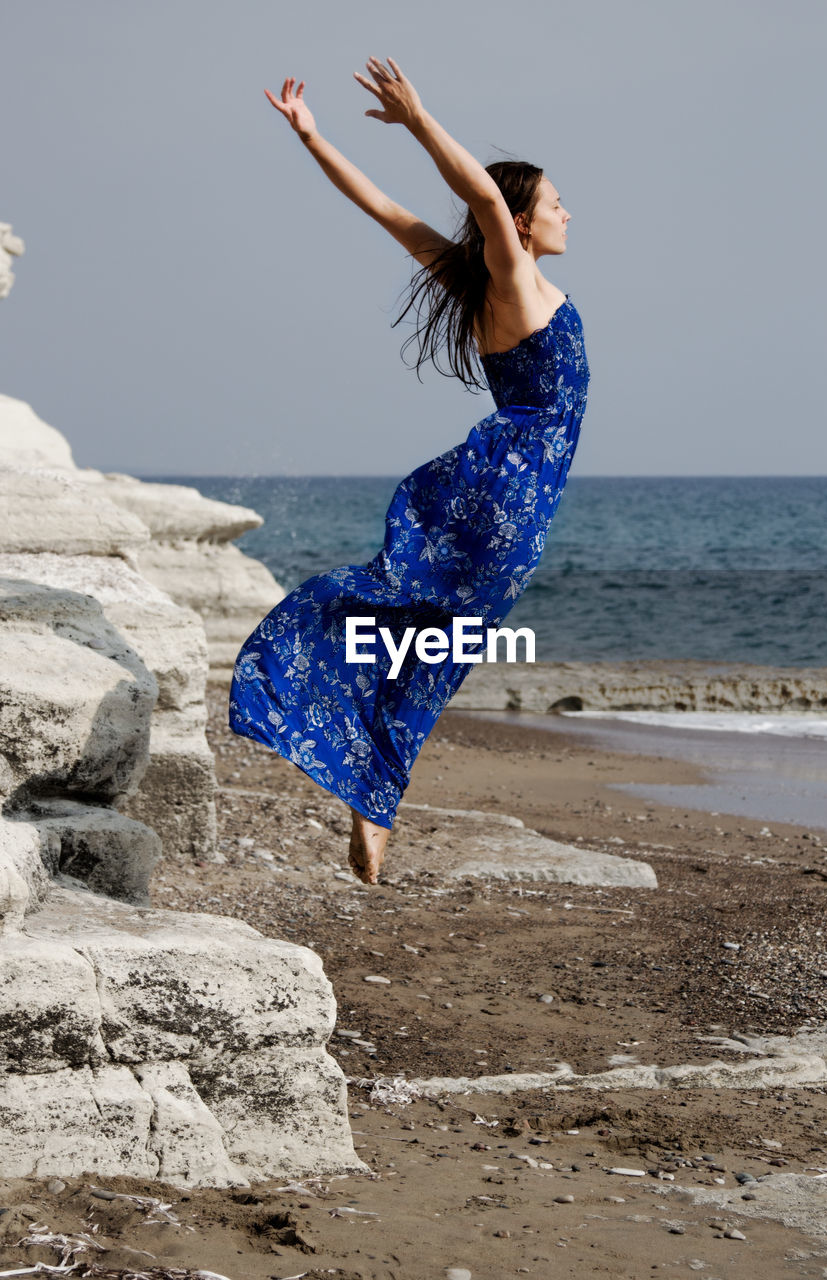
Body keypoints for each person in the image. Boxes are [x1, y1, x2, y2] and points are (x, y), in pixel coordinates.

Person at [229, 56, 590, 886]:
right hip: (512, 493)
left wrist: (313, 138)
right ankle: (368, 782)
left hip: (492, 480)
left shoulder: (480, 284)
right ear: (523, 225)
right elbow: (483, 199)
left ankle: (372, 797)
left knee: (422, 630)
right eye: (555, 201)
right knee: (440, 642)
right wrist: (419, 119)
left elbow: (380, 207)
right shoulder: (512, 280)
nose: (568, 209)